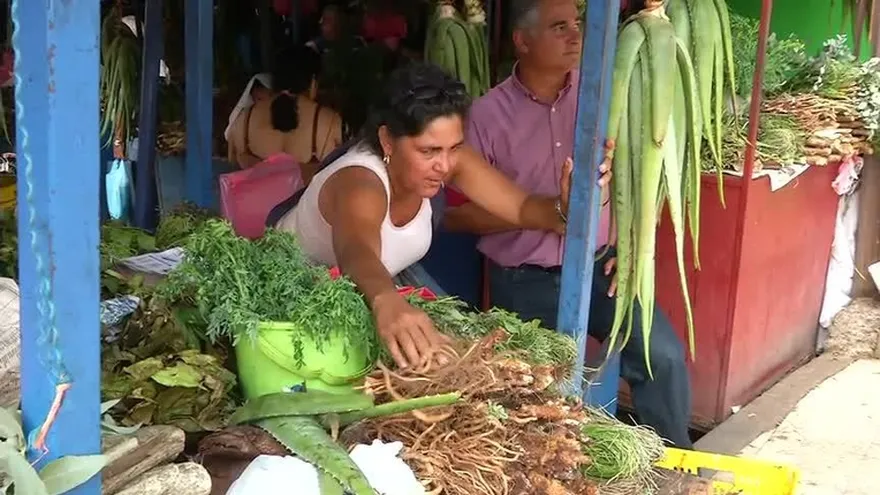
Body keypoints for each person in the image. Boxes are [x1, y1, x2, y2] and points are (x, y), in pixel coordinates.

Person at [442, 0, 693, 448]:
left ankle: (678, 470)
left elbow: (642, 173)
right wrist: (542, 214)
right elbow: (454, 216)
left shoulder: (604, 96)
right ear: (522, 40)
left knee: (663, 357)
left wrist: (631, 246)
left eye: (576, 24)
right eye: (559, 27)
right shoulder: (486, 115)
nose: (575, 36)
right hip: (522, 280)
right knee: (534, 394)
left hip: (602, 268)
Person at [269, 61, 612, 372]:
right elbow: (357, 251)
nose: (445, 165)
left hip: (365, 296)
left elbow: (522, 208)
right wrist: (386, 300)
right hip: (293, 308)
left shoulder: (448, 158)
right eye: (428, 151)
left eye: (454, 148)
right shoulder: (360, 181)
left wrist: (569, 204)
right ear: (387, 140)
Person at [226, 45, 343, 182]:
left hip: (258, 203)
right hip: (304, 203)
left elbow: (232, 165)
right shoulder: (329, 122)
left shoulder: (245, 119)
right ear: (312, 81)